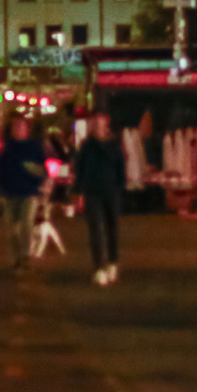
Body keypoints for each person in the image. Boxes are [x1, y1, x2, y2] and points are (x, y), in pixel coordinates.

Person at [74, 113, 126, 286]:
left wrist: (119, 187)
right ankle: (98, 265)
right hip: (92, 192)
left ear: (106, 125)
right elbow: (80, 170)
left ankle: (112, 261)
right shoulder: (87, 146)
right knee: (95, 229)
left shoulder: (113, 146)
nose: (96, 127)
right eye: (94, 124)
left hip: (110, 191)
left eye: (99, 124)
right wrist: (79, 192)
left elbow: (120, 167)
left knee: (112, 227)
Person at [0, 115, 49, 270]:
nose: (17, 129)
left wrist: (37, 183)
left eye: (20, 126)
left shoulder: (34, 148)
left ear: (27, 129)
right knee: (10, 228)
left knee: (26, 225)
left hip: (29, 193)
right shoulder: (7, 149)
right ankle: (15, 257)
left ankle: (24, 256)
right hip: (10, 193)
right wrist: (0, 185)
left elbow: (42, 170)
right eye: (15, 126)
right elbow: (0, 169)